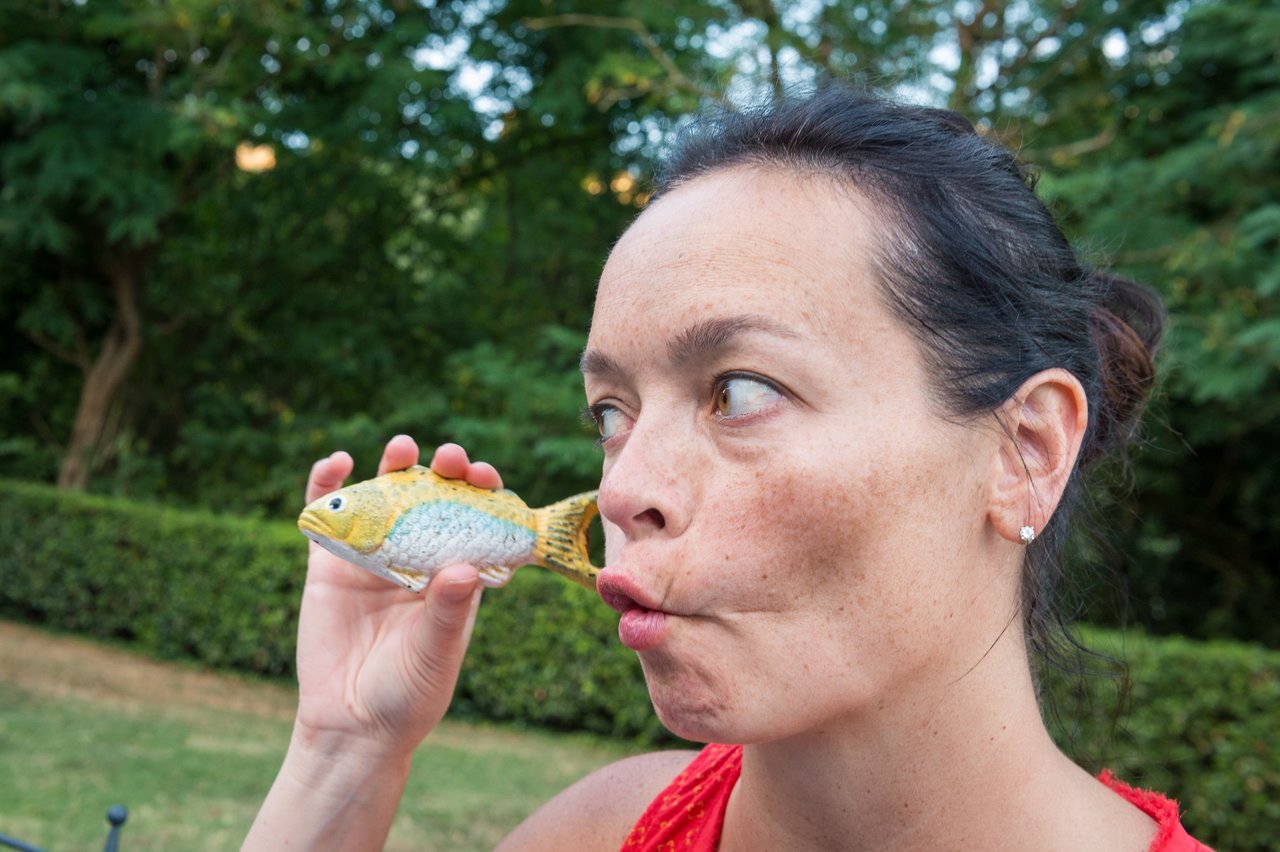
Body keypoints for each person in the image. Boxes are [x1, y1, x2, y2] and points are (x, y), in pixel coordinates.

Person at [244, 87, 1213, 851]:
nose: (620, 490)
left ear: (1025, 451)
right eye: (611, 413)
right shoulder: (596, 833)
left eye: (738, 392)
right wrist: (343, 753)